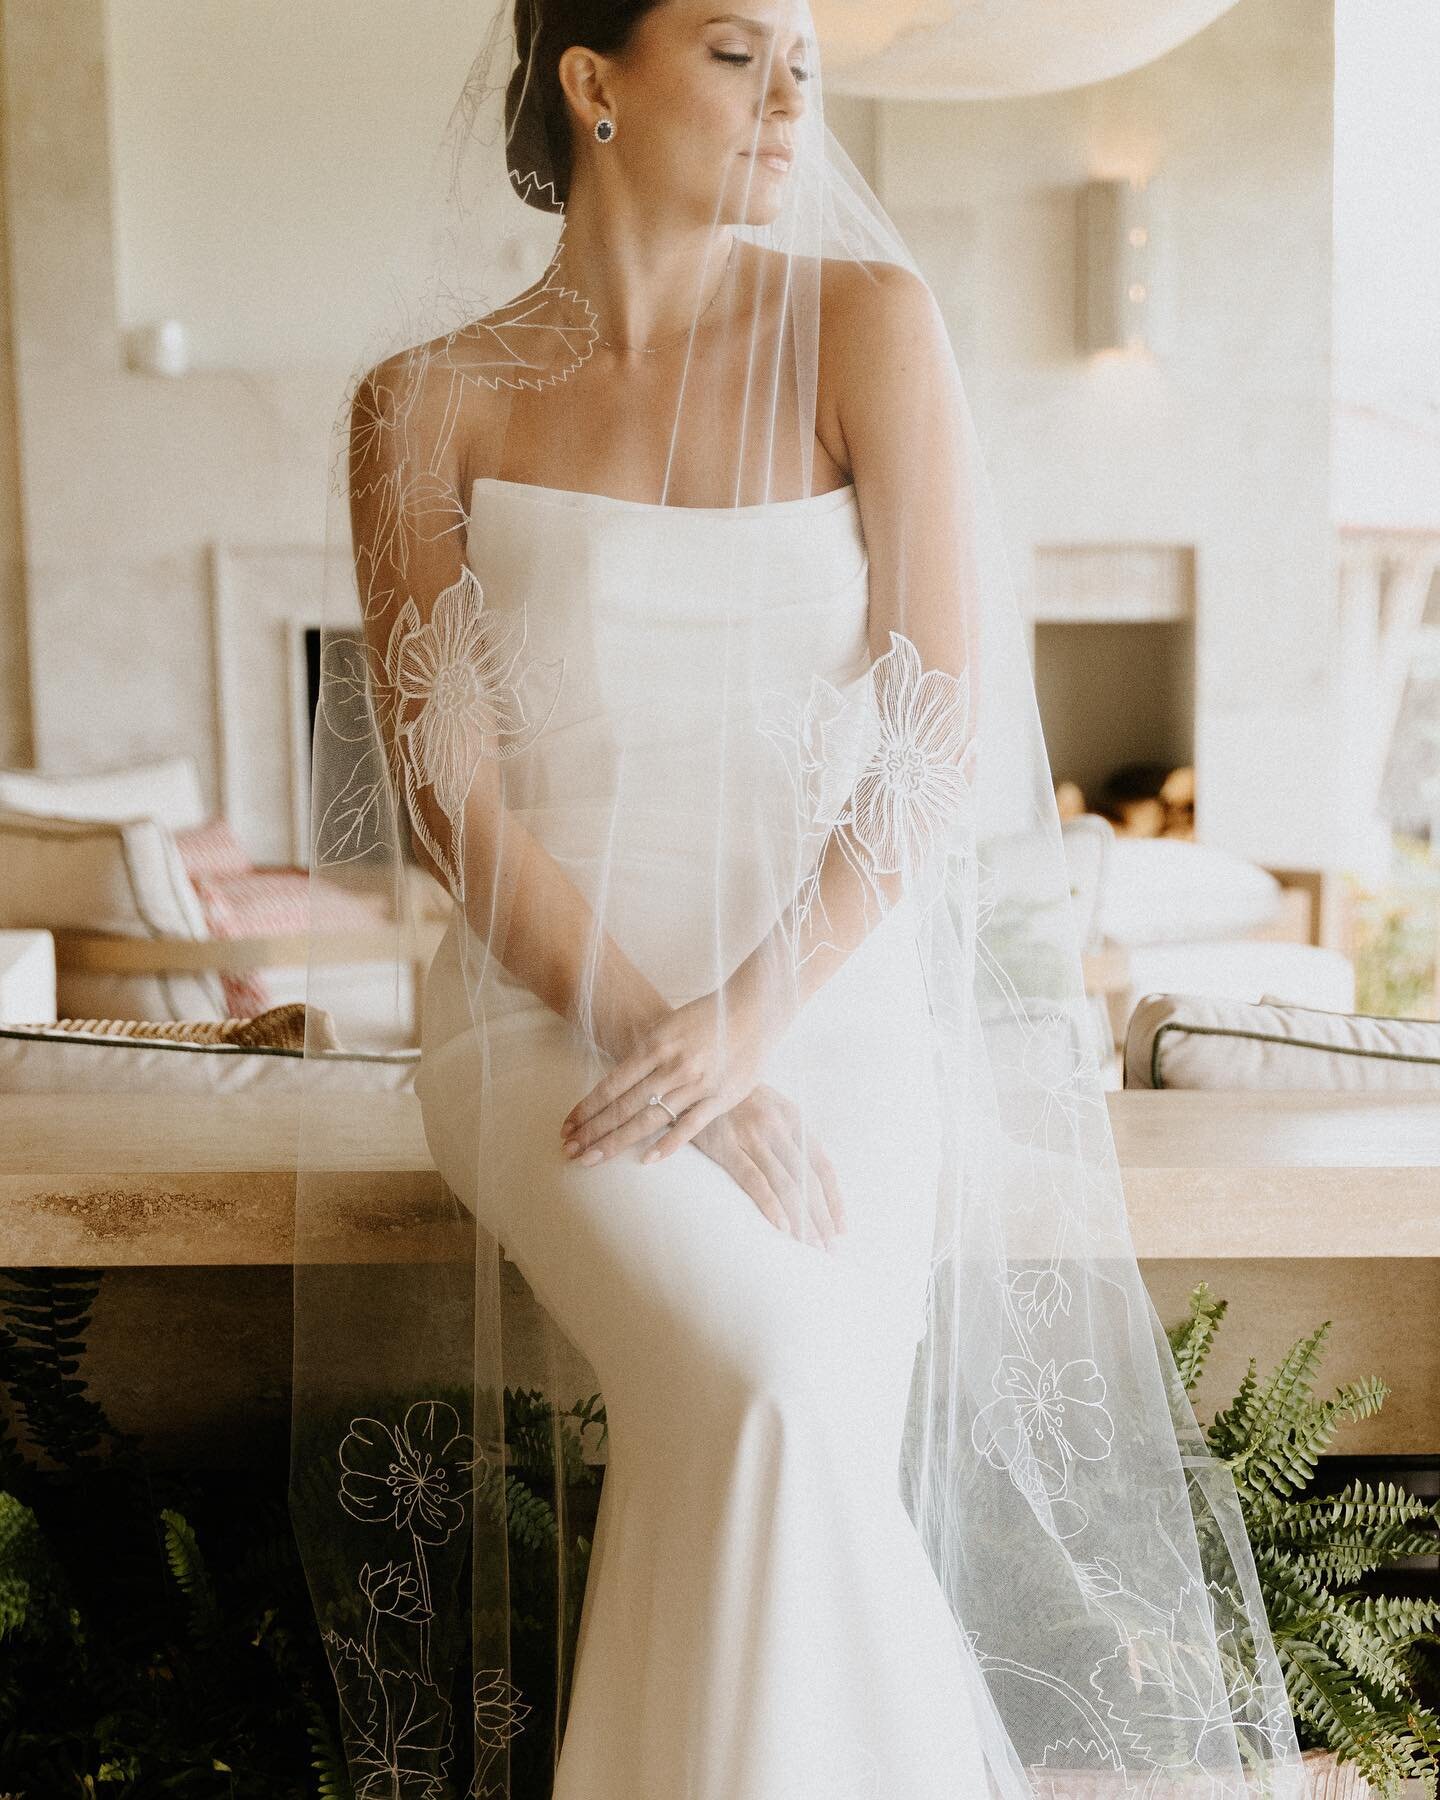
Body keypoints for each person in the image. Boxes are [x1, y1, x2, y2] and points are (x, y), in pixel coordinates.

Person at [290, 5, 1306, 1798]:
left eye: (801, 65)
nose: (788, 105)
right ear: (593, 83)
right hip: (547, 1026)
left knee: (778, 1409)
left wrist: (749, 1024)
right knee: (761, 1378)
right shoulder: (422, 403)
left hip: (829, 1014)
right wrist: (652, 1037)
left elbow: (929, 729)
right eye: (737, 55)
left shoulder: (868, 327)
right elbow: (456, 812)